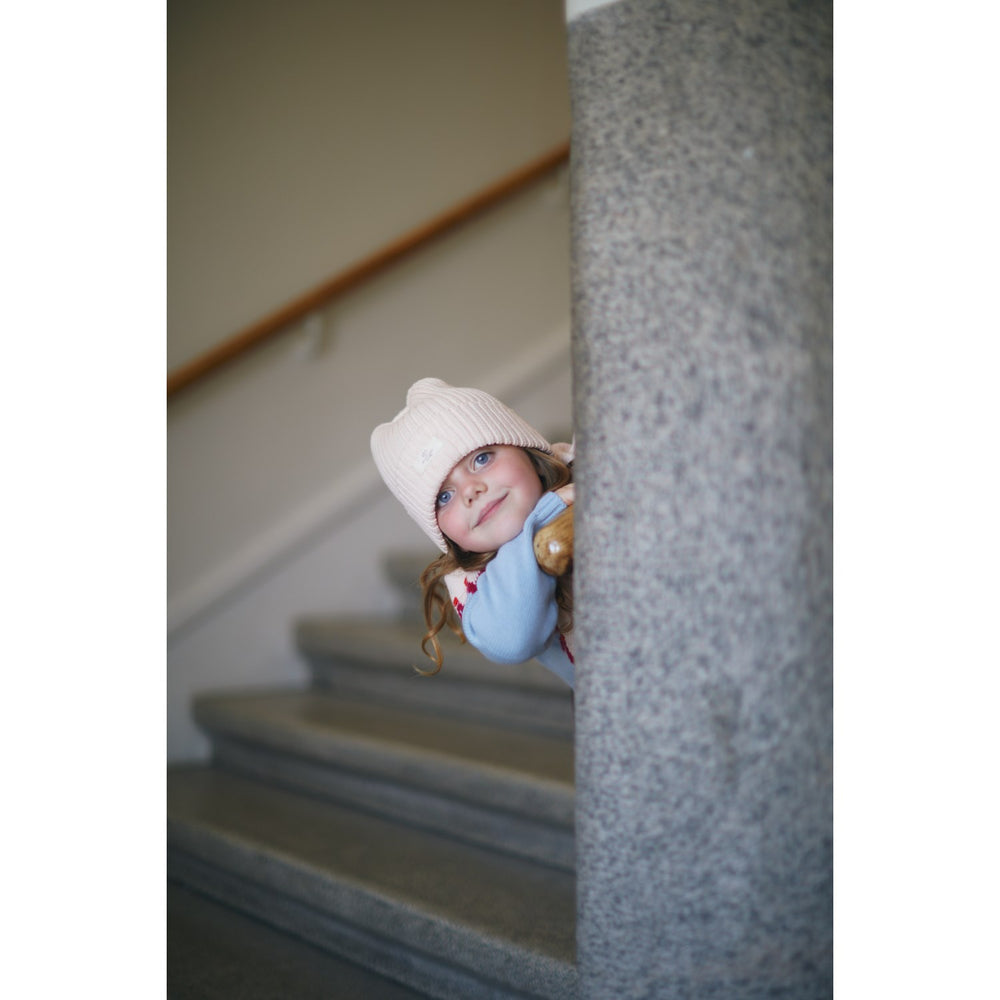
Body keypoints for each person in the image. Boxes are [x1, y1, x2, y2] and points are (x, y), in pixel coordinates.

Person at [371, 377, 575, 688]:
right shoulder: (473, 584)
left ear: (528, 451)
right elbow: (511, 641)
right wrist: (540, 519)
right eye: (444, 496)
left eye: (481, 459)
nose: (470, 491)